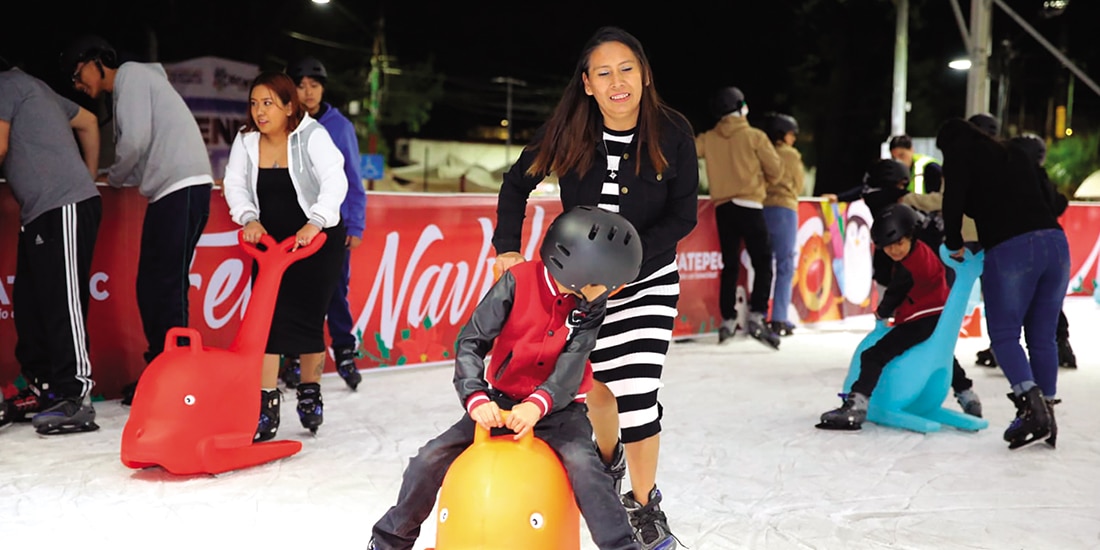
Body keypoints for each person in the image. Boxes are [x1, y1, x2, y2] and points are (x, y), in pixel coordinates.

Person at [492, 26, 696, 550]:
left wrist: (628, 263)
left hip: (648, 280)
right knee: (600, 390)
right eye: (603, 73)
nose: (617, 81)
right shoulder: (567, 131)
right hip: (581, 290)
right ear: (587, 84)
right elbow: (517, 183)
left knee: (638, 388)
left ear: (645, 75)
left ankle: (644, 505)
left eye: (626, 69)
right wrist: (507, 248)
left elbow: (682, 215)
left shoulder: (673, 131)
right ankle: (610, 467)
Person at [369, 206, 643, 550]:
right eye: (607, 285)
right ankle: (389, 540)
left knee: (586, 469)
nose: (609, 292)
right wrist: (476, 398)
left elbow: (573, 363)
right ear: (581, 272)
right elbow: (471, 342)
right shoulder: (517, 282)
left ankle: (622, 547)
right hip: (499, 402)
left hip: (560, 412)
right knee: (429, 458)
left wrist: (538, 405)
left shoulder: (590, 306)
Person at [61, 35, 213, 406]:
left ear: (98, 62)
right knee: (152, 284)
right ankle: (162, 368)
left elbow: (136, 143)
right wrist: (118, 174)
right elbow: (139, 154)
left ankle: (177, 376)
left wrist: (111, 178)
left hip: (183, 188)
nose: (79, 84)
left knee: (167, 283)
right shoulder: (135, 86)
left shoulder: (129, 77)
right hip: (171, 191)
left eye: (80, 73)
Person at [222, 71, 348, 441]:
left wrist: (316, 222)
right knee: (268, 324)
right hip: (269, 249)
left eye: (269, 104)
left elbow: (335, 181)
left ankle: (310, 395)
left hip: (314, 243)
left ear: (289, 107)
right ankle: (266, 406)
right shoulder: (245, 141)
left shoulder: (313, 136)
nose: (260, 112)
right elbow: (235, 185)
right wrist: (248, 218)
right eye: (254, 103)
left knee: (308, 320)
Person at [937, 117, 1070, 450]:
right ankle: (1048, 412)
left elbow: (952, 203)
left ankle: (1030, 405)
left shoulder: (959, 156)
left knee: (1005, 334)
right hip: (1056, 243)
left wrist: (953, 242)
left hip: (1011, 248)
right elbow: (1054, 200)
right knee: (1042, 336)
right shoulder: (1015, 152)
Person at [824, 159, 982, 416]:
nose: (894, 250)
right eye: (888, 247)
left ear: (911, 236)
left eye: (899, 243)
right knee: (941, 354)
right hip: (936, 318)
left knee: (873, 355)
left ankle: (858, 403)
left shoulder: (916, 261)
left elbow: (900, 287)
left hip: (922, 319)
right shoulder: (917, 253)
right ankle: (966, 394)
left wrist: (883, 310)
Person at [0, 57, 102, 434]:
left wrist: (78, 184)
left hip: (62, 204)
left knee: (62, 300)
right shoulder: (34, 86)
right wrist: (87, 176)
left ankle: (76, 395)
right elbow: (89, 122)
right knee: (29, 301)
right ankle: (40, 385)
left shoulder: (6, 86)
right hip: (45, 208)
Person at [284, 55, 367, 391]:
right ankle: (293, 355)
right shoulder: (286, 124)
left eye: (314, 85)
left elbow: (353, 180)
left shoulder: (339, 127)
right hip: (294, 225)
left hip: (333, 225)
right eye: (301, 86)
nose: (308, 92)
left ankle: (345, 350)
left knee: (335, 291)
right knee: (295, 292)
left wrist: (355, 225)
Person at [696, 87, 784, 349]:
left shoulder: (709, 138)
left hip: (723, 207)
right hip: (750, 203)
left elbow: (687, 150)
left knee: (730, 264)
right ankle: (758, 315)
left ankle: (728, 319)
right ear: (741, 106)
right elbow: (776, 170)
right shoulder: (755, 136)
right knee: (763, 261)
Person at [760, 112, 804, 337]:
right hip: (785, 209)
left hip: (762, 208)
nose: (793, 138)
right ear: (783, 135)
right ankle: (779, 317)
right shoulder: (791, 155)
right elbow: (799, 184)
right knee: (785, 265)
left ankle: (758, 314)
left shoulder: (765, 151)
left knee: (763, 264)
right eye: (791, 134)